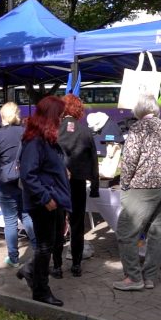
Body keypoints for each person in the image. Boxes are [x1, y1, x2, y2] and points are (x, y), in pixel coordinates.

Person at [112, 93, 161, 291]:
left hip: (144, 187)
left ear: (138, 110)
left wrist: (125, 183)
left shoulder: (137, 128)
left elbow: (129, 160)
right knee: (156, 234)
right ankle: (150, 277)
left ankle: (133, 277)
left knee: (125, 231)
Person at [15, 95, 71, 307]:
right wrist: (45, 197)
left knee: (56, 241)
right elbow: (28, 174)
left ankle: (30, 270)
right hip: (44, 202)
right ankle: (40, 290)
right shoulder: (34, 140)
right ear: (50, 116)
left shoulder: (48, 139)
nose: (62, 119)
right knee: (45, 246)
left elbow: (47, 165)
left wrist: (62, 170)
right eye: (60, 116)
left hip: (54, 198)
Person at [0, 102, 37, 268]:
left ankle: (13, 258)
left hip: (4, 181)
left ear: (2, 116)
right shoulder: (26, 133)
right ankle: (39, 249)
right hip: (24, 180)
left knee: (10, 220)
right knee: (27, 215)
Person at [57, 94, 100, 278]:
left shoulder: (54, 130)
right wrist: (96, 186)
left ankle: (57, 266)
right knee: (76, 225)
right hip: (78, 183)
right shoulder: (85, 131)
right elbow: (94, 161)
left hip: (58, 183)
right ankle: (76, 264)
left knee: (58, 224)